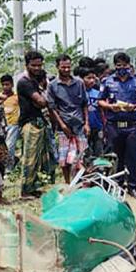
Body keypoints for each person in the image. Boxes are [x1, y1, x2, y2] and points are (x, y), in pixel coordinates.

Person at [98, 52, 136, 200]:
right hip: (114, 125)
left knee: (133, 157)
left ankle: (133, 187)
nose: (122, 68)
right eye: (118, 65)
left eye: (124, 65)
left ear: (129, 66)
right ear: (115, 66)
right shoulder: (108, 82)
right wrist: (110, 106)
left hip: (132, 126)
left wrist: (134, 106)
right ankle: (117, 186)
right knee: (115, 157)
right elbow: (100, 101)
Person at [47, 54, 89, 184]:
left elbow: (84, 104)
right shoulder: (53, 86)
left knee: (81, 156)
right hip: (63, 126)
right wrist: (62, 125)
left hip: (79, 125)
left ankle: (81, 182)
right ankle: (67, 183)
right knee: (64, 158)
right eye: (63, 67)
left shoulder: (79, 83)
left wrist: (87, 123)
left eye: (68, 67)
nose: (66, 70)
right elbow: (52, 108)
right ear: (57, 67)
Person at [17, 50, 54, 198]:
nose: (37, 68)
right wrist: (42, 98)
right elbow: (42, 102)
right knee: (30, 158)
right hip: (30, 122)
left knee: (39, 158)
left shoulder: (35, 82)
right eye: (34, 65)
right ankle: (25, 190)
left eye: (39, 65)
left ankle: (32, 187)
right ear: (27, 65)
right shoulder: (24, 82)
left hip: (39, 121)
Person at [0, 74, 20, 171]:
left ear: (12, 85)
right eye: (3, 85)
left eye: (7, 84)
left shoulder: (16, 97)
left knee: (10, 146)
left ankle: (8, 169)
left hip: (13, 124)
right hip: (2, 125)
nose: (5, 87)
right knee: (3, 147)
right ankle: (7, 165)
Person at [82, 68, 104, 158]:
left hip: (97, 126)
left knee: (98, 151)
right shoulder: (80, 93)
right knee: (86, 153)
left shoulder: (98, 93)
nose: (92, 81)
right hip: (84, 128)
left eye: (93, 78)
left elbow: (102, 111)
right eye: (88, 78)